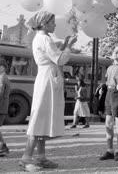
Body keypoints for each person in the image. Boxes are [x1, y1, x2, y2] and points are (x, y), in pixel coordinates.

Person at [19, 11, 76, 172]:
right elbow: (60, 59)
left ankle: (40, 157)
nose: (55, 25)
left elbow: (54, 55)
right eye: (52, 22)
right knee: (39, 117)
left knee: (42, 117)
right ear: (44, 24)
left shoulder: (42, 38)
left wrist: (64, 45)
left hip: (46, 77)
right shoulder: (44, 38)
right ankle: (26, 158)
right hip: (47, 79)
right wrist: (69, 47)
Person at [100, 45, 118, 161]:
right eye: (114, 50)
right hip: (109, 94)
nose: (115, 52)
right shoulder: (109, 67)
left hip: (117, 94)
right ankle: (109, 150)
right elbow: (106, 81)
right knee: (108, 123)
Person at [0, 58, 10, 156]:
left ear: (3, 67)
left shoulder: (2, 77)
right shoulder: (3, 77)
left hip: (1, 107)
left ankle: (3, 147)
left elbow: (0, 92)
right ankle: (3, 147)